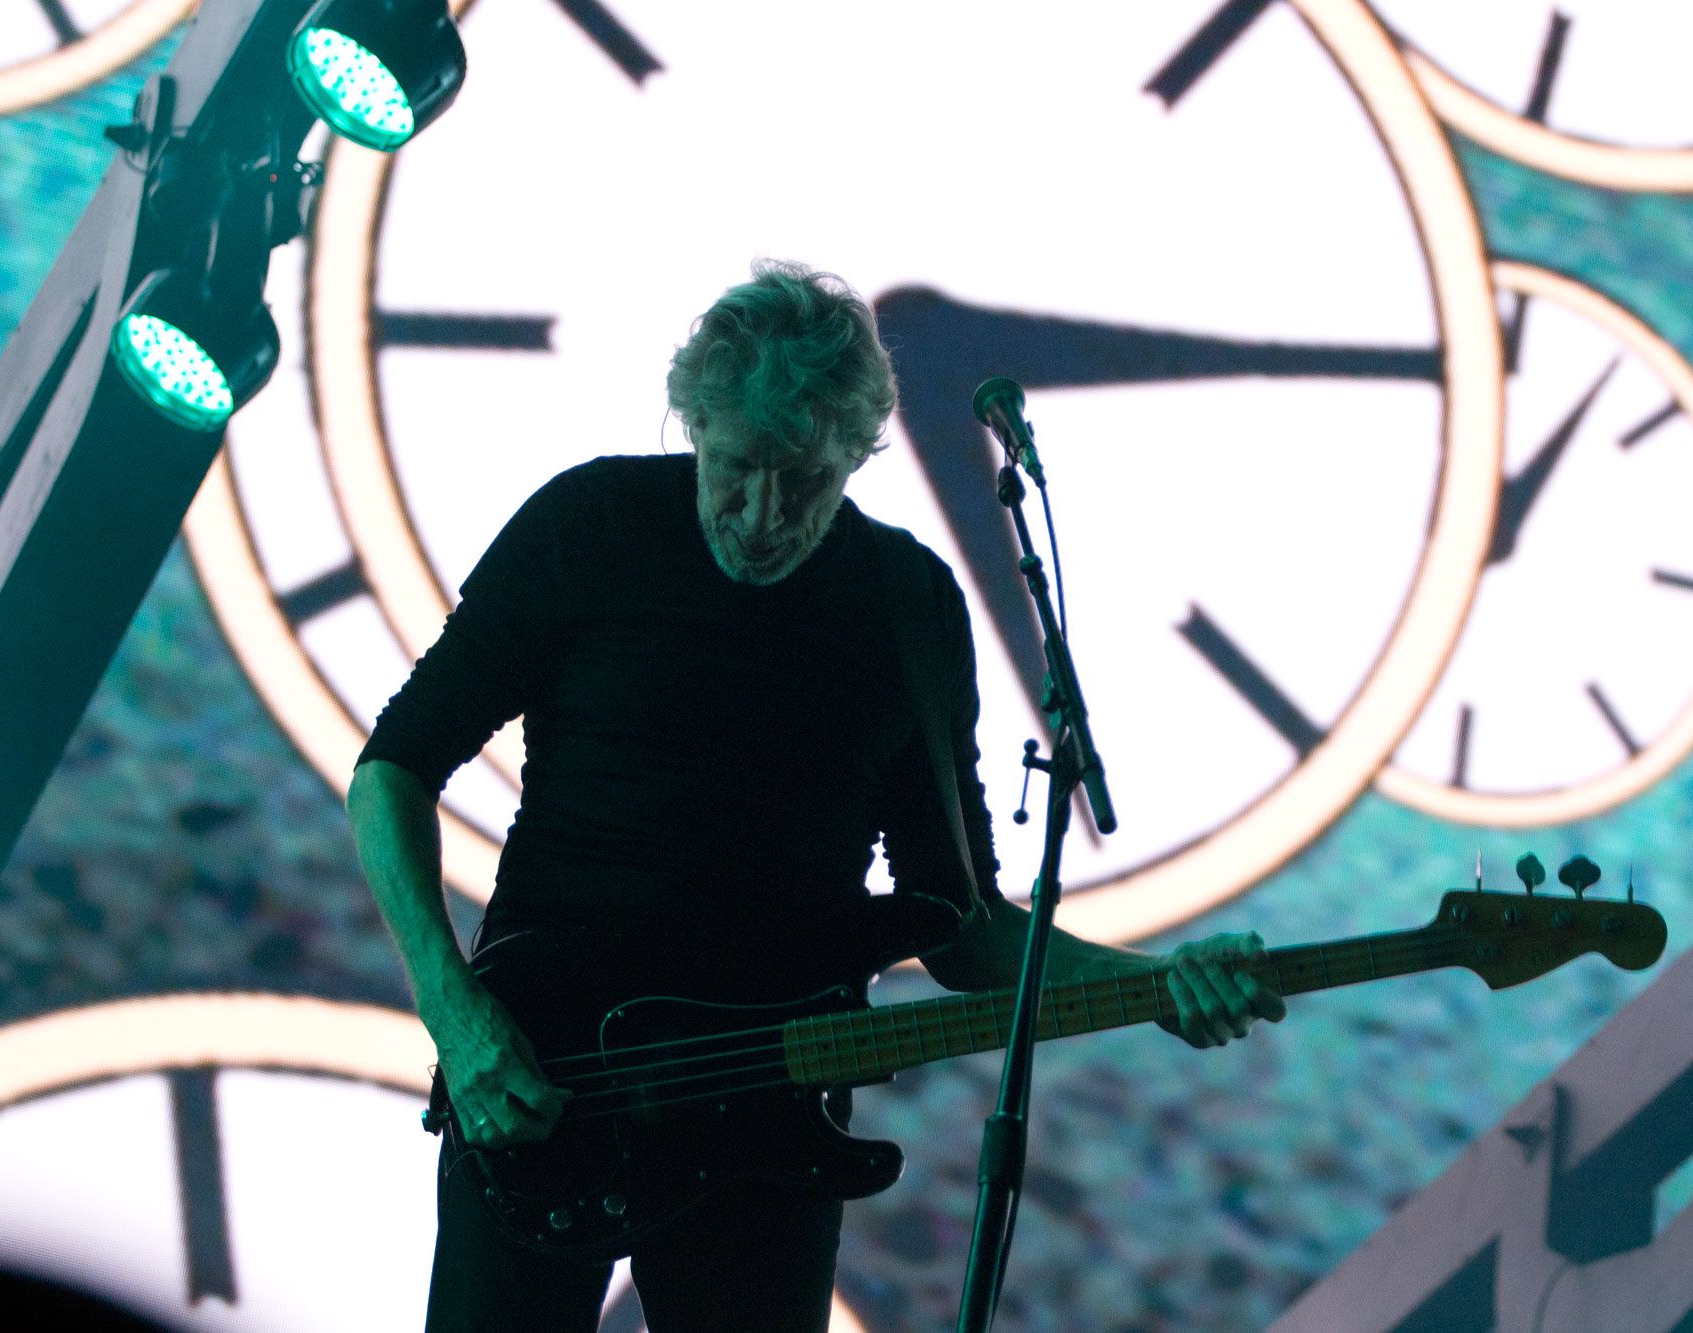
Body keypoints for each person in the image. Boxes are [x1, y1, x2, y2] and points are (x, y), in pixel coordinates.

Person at [346, 260, 1288, 1332]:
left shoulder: (905, 605)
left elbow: (962, 927)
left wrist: (1161, 984)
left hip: (769, 1125)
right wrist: (455, 1016)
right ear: (692, 425)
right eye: (737, 467)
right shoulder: (590, 525)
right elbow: (392, 771)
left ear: (856, 456)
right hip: (540, 1083)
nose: (759, 513)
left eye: (802, 481)